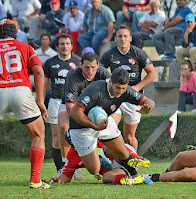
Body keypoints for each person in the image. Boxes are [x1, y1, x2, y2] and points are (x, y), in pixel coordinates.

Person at [68, 68, 155, 184]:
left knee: (122, 152)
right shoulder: (96, 90)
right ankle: (97, 152)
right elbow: (74, 112)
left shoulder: (126, 91)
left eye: (123, 88)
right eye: (117, 88)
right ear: (110, 82)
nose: (120, 91)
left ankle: (135, 176)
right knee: (94, 169)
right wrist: (94, 126)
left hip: (104, 122)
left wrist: (148, 108)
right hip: (81, 128)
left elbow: (149, 101)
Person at [0, 19, 53, 189]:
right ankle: (35, 181)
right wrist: (39, 99)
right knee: (38, 136)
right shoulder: (25, 47)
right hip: (21, 91)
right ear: (14, 31)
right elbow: (38, 70)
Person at [100, 25, 156, 150]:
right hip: (116, 97)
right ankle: (113, 162)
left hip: (133, 99)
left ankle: (133, 166)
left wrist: (136, 87)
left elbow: (152, 73)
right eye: (120, 36)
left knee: (130, 137)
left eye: (125, 36)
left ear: (130, 38)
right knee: (108, 129)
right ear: (115, 38)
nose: (123, 39)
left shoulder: (138, 53)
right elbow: (99, 72)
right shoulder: (110, 54)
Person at [58, 52, 111, 180]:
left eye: (93, 67)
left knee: (110, 124)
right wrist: (92, 125)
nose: (90, 71)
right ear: (80, 65)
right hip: (73, 107)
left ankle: (106, 156)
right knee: (64, 128)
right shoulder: (73, 75)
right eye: (86, 67)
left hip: (96, 107)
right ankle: (67, 165)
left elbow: (112, 97)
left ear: (98, 65)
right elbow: (71, 109)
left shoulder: (104, 75)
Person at [43, 33, 81, 176]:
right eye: (62, 44)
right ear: (57, 46)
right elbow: (45, 86)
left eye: (67, 44)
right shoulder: (50, 63)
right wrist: (40, 103)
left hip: (73, 103)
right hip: (55, 101)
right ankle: (61, 168)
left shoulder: (78, 62)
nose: (64, 46)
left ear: (72, 46)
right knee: (57, 137)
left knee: (72, 135)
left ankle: (73, 167)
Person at [50, 140, 152, 185]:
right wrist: (58, 180)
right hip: (117, 169)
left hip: (123, 153)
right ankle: (134, 179)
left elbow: (115, 144)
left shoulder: (94, 138)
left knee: (107, 148)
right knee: (106, 178)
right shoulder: (72, 156)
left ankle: (134, 160)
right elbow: (66, 176)